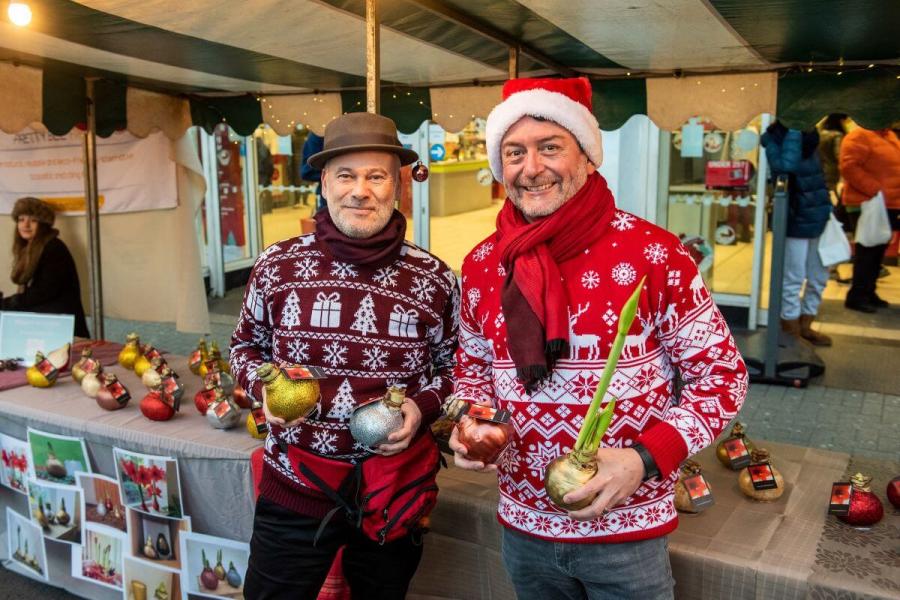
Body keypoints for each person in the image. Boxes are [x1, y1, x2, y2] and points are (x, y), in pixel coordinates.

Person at [449, 78, 748, 600]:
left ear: (587, 156)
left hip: (625, 532)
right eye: (514, 152)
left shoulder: (655, 254)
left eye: (550, 147)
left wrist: (643, 458)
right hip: (523, 526)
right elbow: (472, 368)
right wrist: (470, 422)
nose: (531, 167)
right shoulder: (480, 265)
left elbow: (721, 377)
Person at [230, 112, 459, 600]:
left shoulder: (434, 278)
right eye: (346, 176)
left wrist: (421, 408)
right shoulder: (278, 265)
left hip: (393, 489)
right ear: (325, 184)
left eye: (376, 176)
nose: (361, 191)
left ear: (397, 185)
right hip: (295, 481)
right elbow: (245, 346)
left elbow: (456, 367)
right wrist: (263, 389)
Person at [761, 121, 833, 345]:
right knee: (793, 278)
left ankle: (806, 326)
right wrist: (794, 130)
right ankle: (791, 331)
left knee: (818, 277)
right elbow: (785, 166)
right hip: (794, 219)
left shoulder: (809, 137)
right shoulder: (772, 138)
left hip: (820, 215)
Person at [3, 197, 89, 338]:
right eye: (21, 219)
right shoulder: (28, 249)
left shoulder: (53, 248)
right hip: (44, 325)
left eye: (33, 220)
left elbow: (43, 292)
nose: (26, 225)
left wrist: (8, 304)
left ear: (43, 225)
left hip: (58, 328)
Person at [840, 125, 900, 312]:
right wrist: (876, 190)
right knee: (867, 251)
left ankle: (868, 291)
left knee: (877, 251)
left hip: (886, 204)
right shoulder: (859, 136)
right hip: (866, 203)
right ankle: (857, 295)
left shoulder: (888, 135)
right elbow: (848, 166)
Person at [818, 113, 847, 199]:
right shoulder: (837, 136)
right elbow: (839, 156)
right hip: (834, 173)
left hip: (822, 170)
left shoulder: (821, 133)